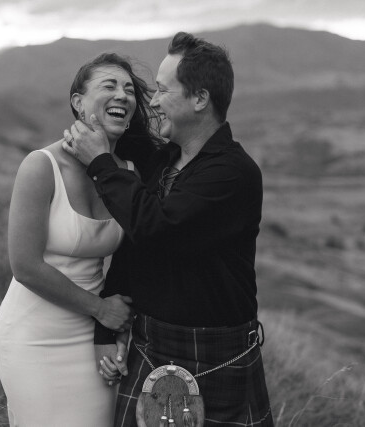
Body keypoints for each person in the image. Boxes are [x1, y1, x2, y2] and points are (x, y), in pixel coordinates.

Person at [63, 32, 274, 426]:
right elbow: (134, 246)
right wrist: (105, 331)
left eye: (162, 90)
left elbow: (155, 228)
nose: (154, 101)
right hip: (151, 346)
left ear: (200, 99)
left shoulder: (232, 173)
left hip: (215, 356)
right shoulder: (163, 160)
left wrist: (101, 164)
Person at [0, 52, 159, 427]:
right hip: (34, 335)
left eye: (129, 89)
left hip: (93, 336)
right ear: (78, 102)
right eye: (109, 85)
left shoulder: (129, 174)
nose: (122, 95)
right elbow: (24, 266)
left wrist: (112, 330)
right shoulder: (40, 166)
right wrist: (100, 309)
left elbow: (134, 258)